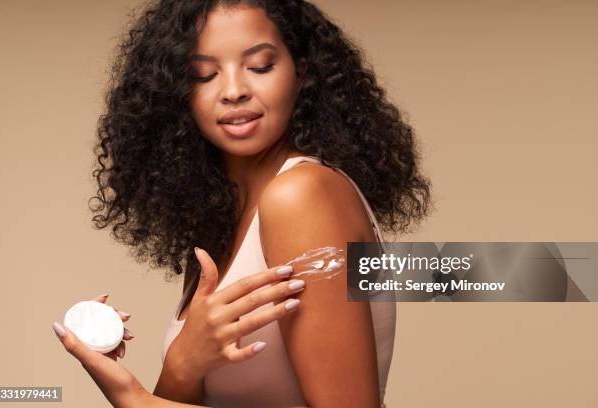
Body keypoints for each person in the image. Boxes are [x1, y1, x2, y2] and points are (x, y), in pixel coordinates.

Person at [52, 1, 431, 407]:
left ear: (301, 72)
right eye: (204, 75)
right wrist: (182, 364)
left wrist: (136, 399)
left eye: (260, 66)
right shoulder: (221, 221)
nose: (233, 91)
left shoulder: (301, 195)